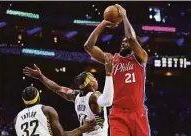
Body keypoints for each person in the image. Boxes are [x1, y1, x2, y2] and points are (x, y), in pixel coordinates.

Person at [84, 4, 150, 136]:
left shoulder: (140, 58)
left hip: (138, 112)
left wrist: (124, 16)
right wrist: (103, 24)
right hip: (118, 114)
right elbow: (88, 46)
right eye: (122, 41)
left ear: (135, 46)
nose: (124, 42)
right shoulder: (112, 60)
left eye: (127, 42)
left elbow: (131, 38)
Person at [23, 53, 114, 136]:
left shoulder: (76, 96)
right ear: (90, 83)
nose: (96, 79)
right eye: (93, 78)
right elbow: (107, 101)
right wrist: (109, 73)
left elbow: (58, 88)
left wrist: (41, 77)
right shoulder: (95, 96)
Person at [14, 86, 97, 136]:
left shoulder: (17, 118)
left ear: (23, 100)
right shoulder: (46, 110)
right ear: (38, 97)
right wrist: (81, 129)